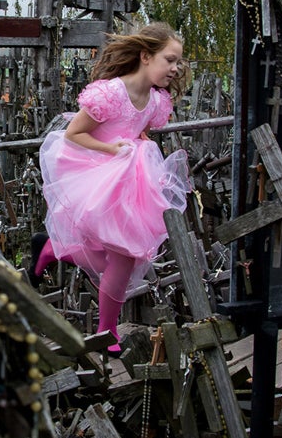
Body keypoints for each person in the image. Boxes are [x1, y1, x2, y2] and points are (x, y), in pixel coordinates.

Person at [30, 22, 189, 354]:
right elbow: (75, 133)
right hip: (95, 173)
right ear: (146, 56)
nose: (176, 68)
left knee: (124, 258)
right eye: (170, 60)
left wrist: (140, 141)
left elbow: (139, 128)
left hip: (132, 179)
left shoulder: (157, 100)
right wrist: (113, 149)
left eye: (178, 62)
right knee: (119, 260)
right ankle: (107, 332)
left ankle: (53, 254)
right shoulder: (111, 93)